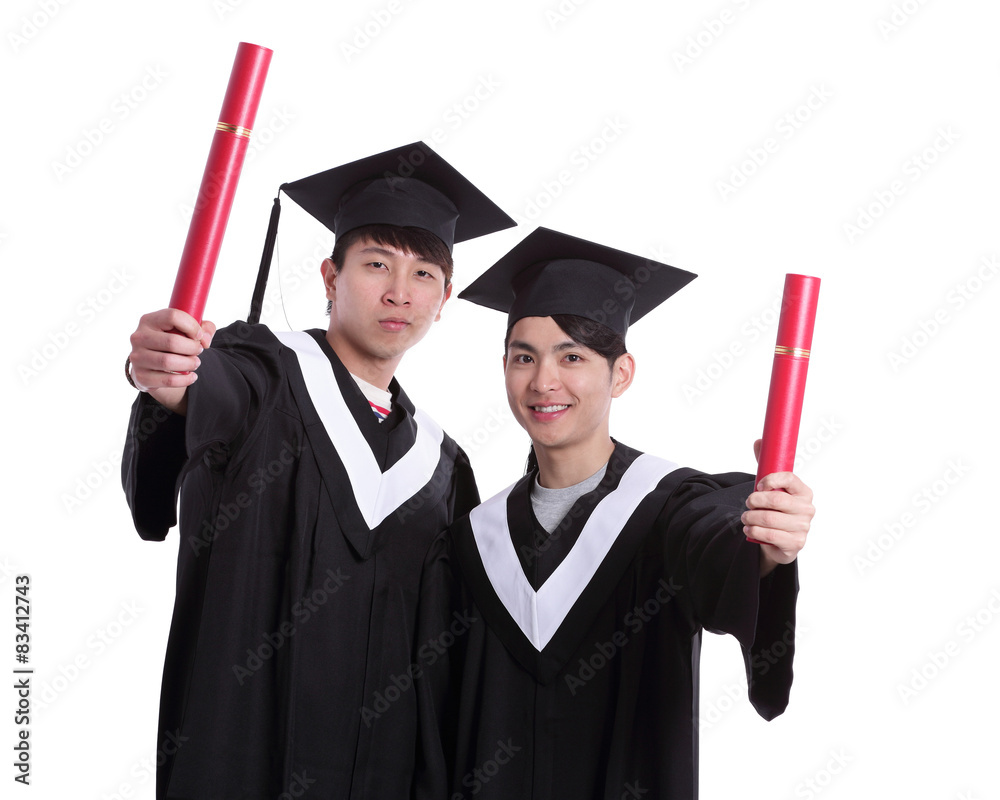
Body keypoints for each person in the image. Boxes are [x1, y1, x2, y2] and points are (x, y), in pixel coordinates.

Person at [121, 142, 514, 800]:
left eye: (424, 275)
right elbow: (204, 384)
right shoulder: (263, 374)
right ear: (330, 277)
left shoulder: (443, 468)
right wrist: (164, 372)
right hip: (243, 767)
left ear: (444, 299)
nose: (399, 291)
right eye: (377, 264)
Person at [413, 227, 815, 799]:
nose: (543, 381)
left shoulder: (669, 508)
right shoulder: (469, 544)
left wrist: (768, 547)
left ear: (620, 374)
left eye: (571, 357)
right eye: (523, 357)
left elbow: (717, 543)